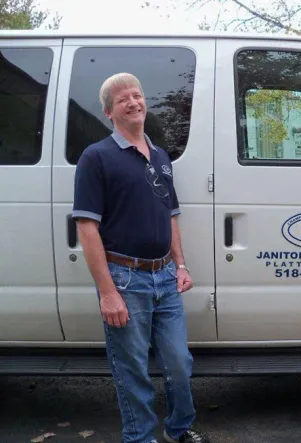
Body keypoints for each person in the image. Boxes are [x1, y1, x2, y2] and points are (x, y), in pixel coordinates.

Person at [73, 72, 209, 443]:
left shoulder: (161, 156)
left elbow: (170, 217)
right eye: (122, 99)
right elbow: (87, 229)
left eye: (137, 95)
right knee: (132, 369)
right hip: (125, 279)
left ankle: (179, 427)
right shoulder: (96, 157)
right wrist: (107, 292)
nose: (133, 102)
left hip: (165, 276)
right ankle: (140, 438)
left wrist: (180, 265)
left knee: (179, 363)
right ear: (108, 112)